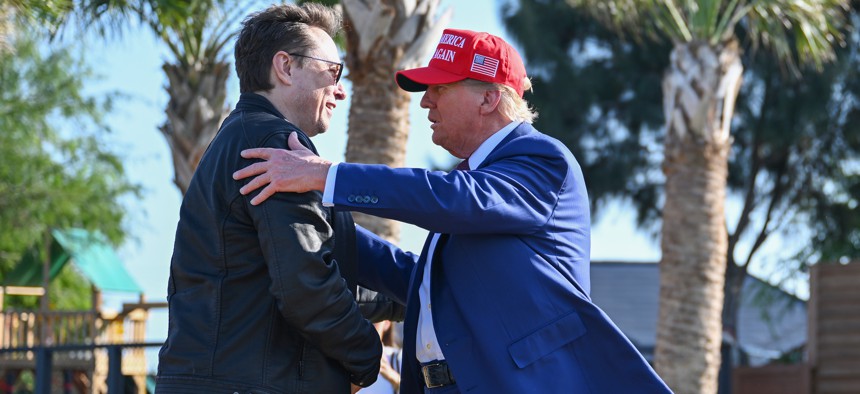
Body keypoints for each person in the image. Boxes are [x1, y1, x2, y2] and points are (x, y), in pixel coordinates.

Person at [234, 28, 672, 393]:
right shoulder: (473, 186)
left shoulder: (542, 160)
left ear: (488, 99)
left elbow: (457, 199)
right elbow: (420, 282)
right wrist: (319, 217)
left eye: (439, 88)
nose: (426, 102)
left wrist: (328, 177)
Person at [156, 4, 387, 393]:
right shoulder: (275, 147)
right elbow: (306, 283)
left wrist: (413, 295)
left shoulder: (240, 137)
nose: (341, 89)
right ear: (285, 67)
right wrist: (367, 357)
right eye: (334, 71)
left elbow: (287, 272)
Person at [363, 320, 403, 394]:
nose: (367, 325)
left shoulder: (400, 359)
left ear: (387, 323)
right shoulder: (343, 362)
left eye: (374, 320)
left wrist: (394, 378)